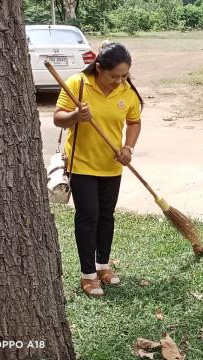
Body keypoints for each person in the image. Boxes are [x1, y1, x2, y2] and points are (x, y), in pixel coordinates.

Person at [53, 42, 143, 297]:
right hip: (82, 163)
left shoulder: (127, 92)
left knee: (106, 215)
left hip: (112, 165)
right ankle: (88, 274)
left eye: (124, 76)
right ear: (99, 68)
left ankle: (103, 265)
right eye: (114, 76)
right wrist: (75, 117)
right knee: (88, 216)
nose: (119, 81)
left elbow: (134, 123)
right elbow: (58, 117)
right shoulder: (78, 84)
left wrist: (128, 148)